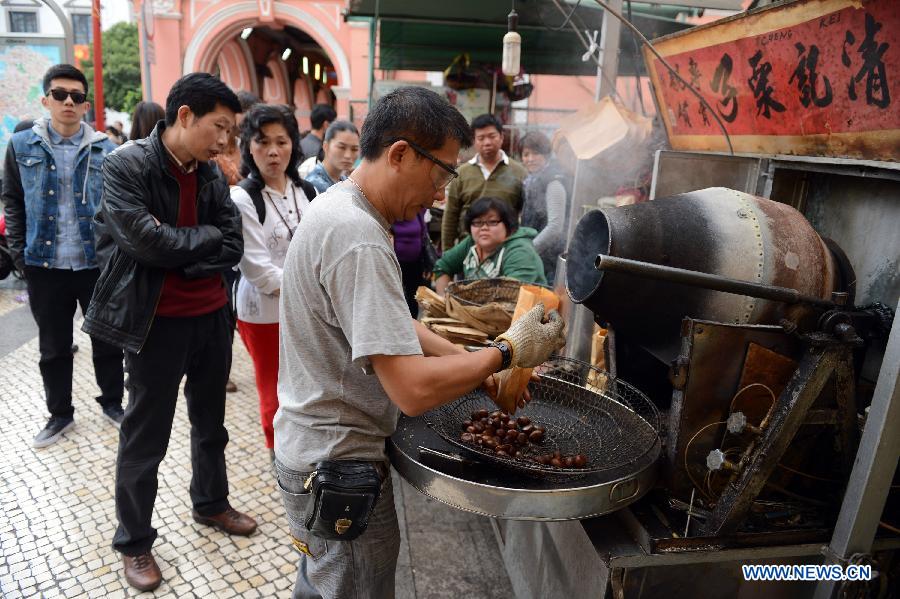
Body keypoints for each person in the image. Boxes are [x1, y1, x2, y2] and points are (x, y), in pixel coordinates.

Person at [274, 86, 565, 598]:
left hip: (312, 452)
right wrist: (506, 351)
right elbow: (410, 390)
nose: (439, 195)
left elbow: (393, 325)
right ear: (401, 154)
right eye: (442, 173)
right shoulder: (358, 236)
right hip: (339, 464)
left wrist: (475, 362)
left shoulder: (341, 208)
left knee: (320, 583)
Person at [81, 72, 256, 592]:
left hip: (212, 317)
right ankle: (134, 543)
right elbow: (143, 243)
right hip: (154, 323)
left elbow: (233, 244)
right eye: (218, 127)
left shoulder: (209, 173)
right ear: (184, 116)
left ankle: (211, 503)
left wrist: (183, 249)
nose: (224, 141)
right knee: (145, 436)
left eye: (230, 131)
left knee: (211, 424)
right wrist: (200, 241)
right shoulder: (126, 164)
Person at [1, 64, 124, 448]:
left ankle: (113, 402)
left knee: (107, 340)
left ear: (86, 105)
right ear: (46, 100)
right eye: (60, 94)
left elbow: (119, 207)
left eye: (76, 96)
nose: (68, 101)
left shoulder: (106, 149)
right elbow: (12, 200)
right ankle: (60, 414)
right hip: (44, 264)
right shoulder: (22, 146)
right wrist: (20, 255)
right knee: (53, 347)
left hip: (95, 264)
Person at [231, 104, 317, 457]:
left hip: (306, 309)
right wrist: (315, 288)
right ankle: (278, 454)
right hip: (264, 312)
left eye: (281, 141)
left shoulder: (307, 191)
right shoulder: (243, 197)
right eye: (262, 141)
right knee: (272, 387)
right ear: (248, 147)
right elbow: (259, 271)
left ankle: (303, 448)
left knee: (305, 383)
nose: (273, 151)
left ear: (293, 145)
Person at [440, 113, 527, 251]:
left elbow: (526, 214)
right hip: (468, 249)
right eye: (481, 138)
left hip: (506, 251)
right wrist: (448, 253)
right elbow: (451, 215)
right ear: (474, 141)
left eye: (492, 136)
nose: (487, 142)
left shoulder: (519, 172)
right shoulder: (462, 173)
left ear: (501, 137)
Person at [433, 196, 547, 295]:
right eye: (477, 222)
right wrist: (444, 302)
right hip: (476, 309)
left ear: (508, 224)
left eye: (492, 222)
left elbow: (512, 295)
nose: (484, 228)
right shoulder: (473, 241)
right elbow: (442, 267)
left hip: (522, 312)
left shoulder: (520, 251)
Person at [519, 131, 571, 284]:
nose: (530, 159)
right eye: (526, 154)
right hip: (537, 255)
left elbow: (555, 227)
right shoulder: (531, 180)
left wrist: (530, 250)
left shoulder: (553, 182)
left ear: (546, 155)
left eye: (536, 153)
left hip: (549, 259)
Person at [392, 209, 431, 316]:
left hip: (415, 262)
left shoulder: (416, 210)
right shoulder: (392, 214)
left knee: (413, 296)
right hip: (396, 263)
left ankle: (412, 322)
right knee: (397, 297)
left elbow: (423, 235)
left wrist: (427, 261)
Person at [304, 120, 359, 193]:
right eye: (342, 147)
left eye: (354, 149)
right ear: (326, 146)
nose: (348, 155)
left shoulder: (345, 180)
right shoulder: (314, 184)